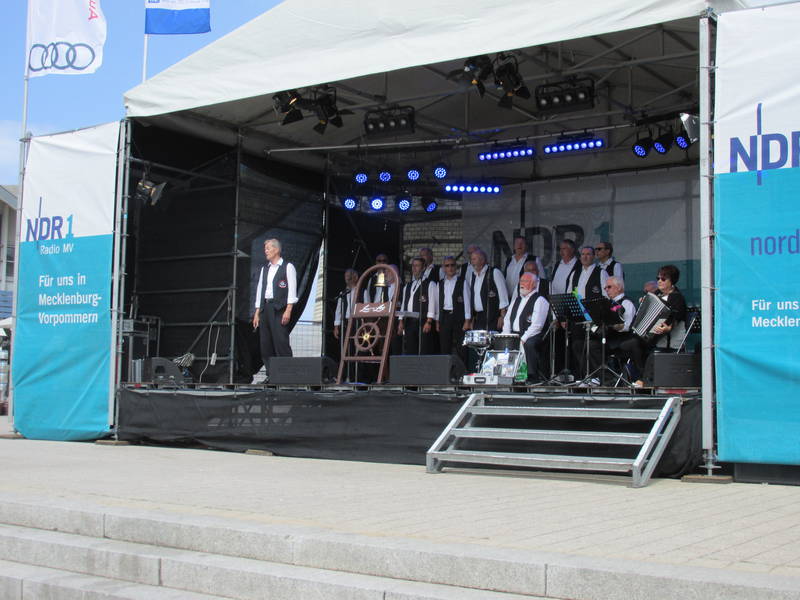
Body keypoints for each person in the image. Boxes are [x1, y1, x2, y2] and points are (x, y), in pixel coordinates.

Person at [618, 264, 688, 387]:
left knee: (636, 346)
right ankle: (638, 376)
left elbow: (677, 317)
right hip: (652, 337)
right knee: (627, 345)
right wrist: (643, 303)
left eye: (663, 279)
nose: (659, 281)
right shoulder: (657, 294)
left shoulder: (677, 298)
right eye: (658, 278)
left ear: (672, 281)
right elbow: (648, 308)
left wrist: (668, 327)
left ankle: (643, 379)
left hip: (667, 340)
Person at [253, 238, 297, 378]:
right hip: (265, 308)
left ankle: (287, 375)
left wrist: (288, 310)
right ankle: (271, 376)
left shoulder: (287, 267)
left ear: (276, 250)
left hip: (279, 308)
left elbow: (292, 290)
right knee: (265, 344)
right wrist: (257, 312)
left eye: (268, 248)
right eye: (265, 249)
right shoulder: (264, 269)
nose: (265, 251)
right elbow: (260, 290)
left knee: (281, 341)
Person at [583, 276, 637, 384]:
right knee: (587, 343)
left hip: (621, 339)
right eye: (605, 288)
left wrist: (614, 325)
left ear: (619, 287)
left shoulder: (626, 303)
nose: (606, 290)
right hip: (609, 338)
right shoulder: (608, 303)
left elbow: (628, 326)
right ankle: (598, 377)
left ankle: (608, 379)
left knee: (593, 346)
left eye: (609, 287)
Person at [502, 272, 549, 382]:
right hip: (516, 334)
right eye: (521, 281)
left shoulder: (540, 300)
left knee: (529, 344)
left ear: (534, 284)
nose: (522, 284)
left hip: (533, 335)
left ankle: (532, 376)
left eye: (526, 281)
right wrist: (506, 335)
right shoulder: (516, 300)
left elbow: (537, 325)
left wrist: (523, 338)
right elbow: (507, 319)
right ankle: (506, 375)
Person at [398, 257, 438, 355]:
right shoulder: (408, 286)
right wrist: (401, 321)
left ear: (423, 268)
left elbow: (432, 303)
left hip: (423, 321)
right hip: (409, 322)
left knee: (424, 349)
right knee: (411, 349)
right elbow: (404, 304)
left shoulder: (430, 284)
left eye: (417, 266)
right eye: (413, 266)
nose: (414, 268)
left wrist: (429, 321)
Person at [436, 256, 470, 361]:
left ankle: (462, 369)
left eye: (452, 265)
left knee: (461, 347)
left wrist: (467, 320)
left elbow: (467, 301)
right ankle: (445, 369)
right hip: (445, 317)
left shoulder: (462, 281)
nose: (450, 268)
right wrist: (437, 320)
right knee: (444, 346)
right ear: (443, 268)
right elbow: (438, 303)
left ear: (456, 267)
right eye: (447, 266)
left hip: (458, 317)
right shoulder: (440, 283)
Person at [465, 249, 508, 332]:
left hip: (493, 317)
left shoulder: (495, 272)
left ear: (482, 260)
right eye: (471, 259)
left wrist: (502, 316)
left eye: (474, 259)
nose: (472, 262)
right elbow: (472, 298)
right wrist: (472, 318)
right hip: (478, 318)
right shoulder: (473, 276)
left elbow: (503, 296)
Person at [333, 269, 362, 340]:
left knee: (358, 342)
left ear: (356, 277)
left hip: (358, 322)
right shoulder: (342, 293)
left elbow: (368, 308)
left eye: (349, 276)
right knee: (345, 342)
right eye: (346, 276)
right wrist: (336, 327)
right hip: (345, 323)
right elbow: (338, 311)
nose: (347, 278)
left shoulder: (363, 291)